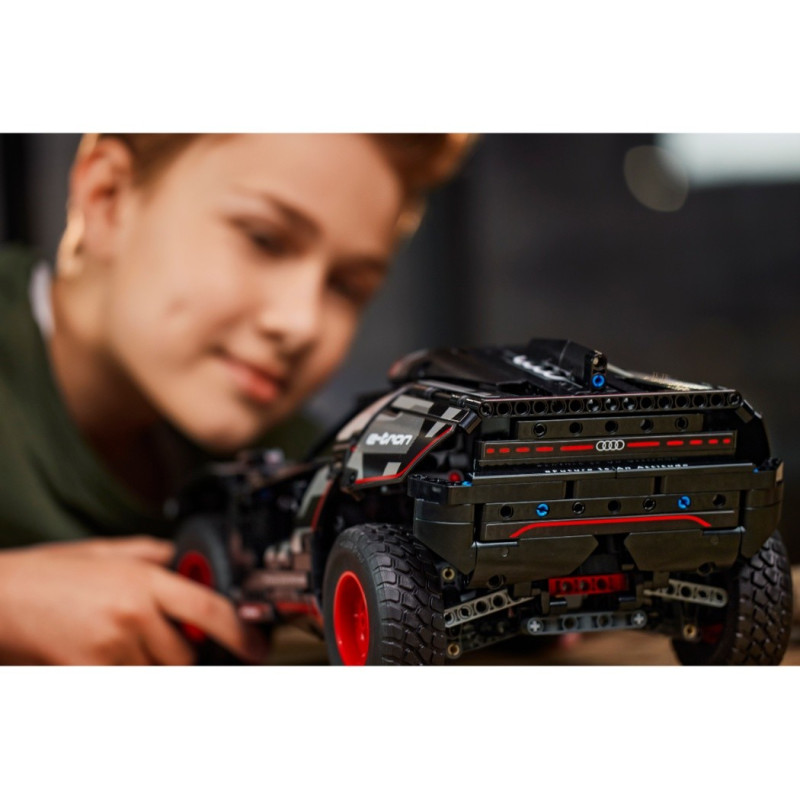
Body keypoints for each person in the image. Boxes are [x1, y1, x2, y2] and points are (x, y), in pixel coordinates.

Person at [0, 133, 471, 665]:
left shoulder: (307, 470)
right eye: (264, 240)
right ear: (107, 197)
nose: (300, 323)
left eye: (347, 286)